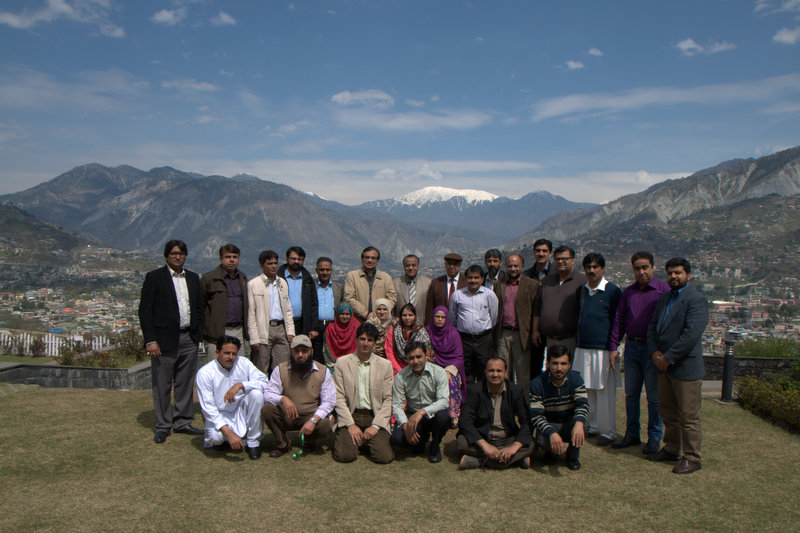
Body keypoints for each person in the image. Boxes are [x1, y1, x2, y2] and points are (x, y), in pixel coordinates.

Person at [646, 258, 708, 474]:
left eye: (678, 273)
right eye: (670, 273)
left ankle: (692, 457)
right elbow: (653, 327)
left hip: (685, 368)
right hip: (663, 367)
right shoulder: (664, 299)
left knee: (688, 416)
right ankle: (672, 448)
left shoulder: (696, 300)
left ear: (688, 275)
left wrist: (668, 358)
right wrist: (655, 353)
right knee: (668, 411)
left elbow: (691, 335)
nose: (673, 276)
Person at [138, 239, 204, 444]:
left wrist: (197, 335)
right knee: (162, 383)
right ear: (167, 255)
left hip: (188, 338)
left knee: (185, 383)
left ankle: (183, 421)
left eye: (181, 253)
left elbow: (199, 309)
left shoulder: (193, 278)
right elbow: (145, 311)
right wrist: (150, 340)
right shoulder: (155, 278)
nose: (178, 256)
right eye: (174, 253)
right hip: (164, 339)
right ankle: (163, 425)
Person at [610, 251, 670, 454]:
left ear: (653, 267)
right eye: (637, 268)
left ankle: (654, 437)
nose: (641, 271)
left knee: (653, 397)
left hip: (654, 350)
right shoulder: (629, 293)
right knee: (631, 395)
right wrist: (614, 347)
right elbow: (619, 320)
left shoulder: (663, 290)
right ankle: (632, 434)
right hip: (632, 347)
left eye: (645, 267)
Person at [573, 253, 622, 445]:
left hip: (603, 349)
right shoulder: (582, 291)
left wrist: (613, 347)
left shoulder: (612, 291)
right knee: (585, 389)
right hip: (583, 347)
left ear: (603, 269)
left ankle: (607, 431)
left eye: (595, 267)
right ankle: (591, 426)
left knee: (603, 390)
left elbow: (618, 321)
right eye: (588, 267)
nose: (591, 271)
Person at [196, 335, 268, 460]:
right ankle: (226, 440)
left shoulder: (244, 363)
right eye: (227, 353)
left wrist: (241, 385)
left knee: (256, 394)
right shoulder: (205, 373)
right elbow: (208, 408)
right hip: (220, 414)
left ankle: (253, 442)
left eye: (234, 354)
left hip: (241, 412)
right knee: (216, 438)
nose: (231, 357)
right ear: (217, 353)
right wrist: (229, 434)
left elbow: (265, 382)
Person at [261, 335, 335, 457]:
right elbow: (268, 394)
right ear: (291, 352)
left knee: (325, 424)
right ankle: (283, 444)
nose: (300, 355)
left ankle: (308, 441)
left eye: (304, 351)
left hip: (310, 416)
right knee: (267, 409)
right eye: (296, 351)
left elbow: (329, 402)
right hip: (288, 416)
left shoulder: (323, 371)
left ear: (311, 352)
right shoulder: (280, 369)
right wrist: (283, 399)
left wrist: (313, 420)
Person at [331, 323, 394, 464]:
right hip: (352, 414)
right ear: (356, 339)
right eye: (362, 339)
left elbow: (388, 399)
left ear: (375, 342)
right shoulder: (342, 363)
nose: (366, 343)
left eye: (370, 340)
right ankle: (353, 439)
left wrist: (376, 426)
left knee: (384, 457)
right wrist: (350, 425)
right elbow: (338, 397)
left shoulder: (385, 365)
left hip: (374, 415)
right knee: (345, 456)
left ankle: (365, 441)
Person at [456, 357, 533, 470]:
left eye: (499, 371)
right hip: (483, 437)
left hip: (507, 439)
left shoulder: (516, 391)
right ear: (485, 372)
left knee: (532, 443)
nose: (495, 374)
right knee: (462, 442)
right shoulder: (475, 390)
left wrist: (513, 448)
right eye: (491, 370)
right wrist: (485, 446)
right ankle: (516, 459)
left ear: (506, 373)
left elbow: (526, 422)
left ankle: (480, 460)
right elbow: (464, 421)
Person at [529, 344, 589, 470]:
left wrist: (578, 424)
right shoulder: (536, 384)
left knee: (584, 425)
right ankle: (551, 453)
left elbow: (582, 405)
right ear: (548, 363)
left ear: (569, 364)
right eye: (555, 363)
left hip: (569, 423)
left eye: (563, 363)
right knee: (542, 439)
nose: (559, 368)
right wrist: (551, 433)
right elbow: (536, 416)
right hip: (550, 424)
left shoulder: (576, 379)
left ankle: (572, 456)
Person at [391, 341, 451, 463]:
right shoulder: (401, 376)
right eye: (411, 358)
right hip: (412, 413)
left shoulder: (438, 372)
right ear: (406, 359)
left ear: (426, 355)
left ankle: (435, 444)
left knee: (444, 418)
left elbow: (444, 401)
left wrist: (423, 412)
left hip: (433, 414)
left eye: (419, 356)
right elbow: (397, 405)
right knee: (396, 439)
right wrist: (405, 425)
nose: (416, 361)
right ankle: (421, 440)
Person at [493, 254, 539, 387]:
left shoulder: (532, 285)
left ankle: (522, 405)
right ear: (505, 267)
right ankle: (505, 403)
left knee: (523, 373)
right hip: (503, 334)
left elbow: (536, 311)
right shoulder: (499, 285)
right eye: (510, 266)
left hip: (522, 335)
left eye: (516, 266)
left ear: (522, 267)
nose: (513, 268)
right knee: (503, 372)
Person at [532, 245, 586, 356]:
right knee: (552, 371)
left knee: (570, 372)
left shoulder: (582, 281)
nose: (561, 262)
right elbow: (538, 307)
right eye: (557, 259)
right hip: (549, 340)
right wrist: (535, 330)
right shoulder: (547, 281)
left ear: (573, 260)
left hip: (571, 339)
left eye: (564, 259)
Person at [247, 250, 295, 374]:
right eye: (269, 263)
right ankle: (261, 392)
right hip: (264, 329)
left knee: (283, 367)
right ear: (262, 265)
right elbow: (251, 313)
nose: (273, 266)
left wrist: (290, 331)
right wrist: (254, 338)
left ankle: (279, 392)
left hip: (280, 328)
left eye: (275, 263)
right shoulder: (253, 284)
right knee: (261, 368)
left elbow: (288, 310)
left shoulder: (282, 283)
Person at [449, 264, 499, 382]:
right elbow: (452, 318)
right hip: (464, 339)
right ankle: (468, 398)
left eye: (476, 278)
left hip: (484, 340)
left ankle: (484, 398)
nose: (473, 281)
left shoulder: (489, 294)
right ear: (465, 279)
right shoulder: (457, 295)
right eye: (470, 277)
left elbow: (494, 317)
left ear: (482, 279)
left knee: (485, 370)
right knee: (466, 372)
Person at [200, 243, 248, 358]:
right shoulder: (209, 279)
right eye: (228, 257)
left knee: (238, 369)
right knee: (216, 369)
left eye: (235, 257)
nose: (231, 260)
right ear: (221, 259)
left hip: (238, 331)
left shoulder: (242, 278)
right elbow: (200, 306)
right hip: (217, 333)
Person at [426, 306, 466, 423]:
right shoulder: (427, 332)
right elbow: (425, 353)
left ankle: (453, 415)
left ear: (447, 319)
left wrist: (448, 371)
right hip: (432, 366)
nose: (439, 319)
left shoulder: (454, 334)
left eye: (442, 317)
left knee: (451, 381)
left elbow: (458, 357)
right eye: (437, 317)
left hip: (450, 368)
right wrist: (438, 370)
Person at [523, 238, 552, 378]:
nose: (541, 254)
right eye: (538, 251)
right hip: (532, 329)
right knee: (534, 366)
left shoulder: (556, 275)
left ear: (550, 254)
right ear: (534, 253)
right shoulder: (526, 276)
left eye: (544, 251)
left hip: (552, 327)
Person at [344, 246, 397, 323]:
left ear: (377, 260)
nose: (370, 260)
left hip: (381, 322)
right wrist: (366, 314)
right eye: (367, 257)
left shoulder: (386, 277)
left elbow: (392, 298)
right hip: (358, 321)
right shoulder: (352, 276)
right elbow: (349, 298)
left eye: (373, 258)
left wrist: (379, 312)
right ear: (362, 259)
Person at [278, 246, 318, 337]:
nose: (296, 261)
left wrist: (313, 327)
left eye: (300, 259)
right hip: (283, 324)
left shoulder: (308, 280)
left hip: (302, 324)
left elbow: (313, 305)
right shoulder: (278, 279)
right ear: (286, 258)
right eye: (293, 258)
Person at [385, 303, 432, 375]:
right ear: (400, 316)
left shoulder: (421, 331)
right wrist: (399, 370)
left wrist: (418, 370)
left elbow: (427, 353)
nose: (407, 318)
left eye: (410, 315)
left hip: (418, 368)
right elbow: (389, 351)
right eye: (404, 315)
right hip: (397, 368)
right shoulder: (393, 330)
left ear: (415, 316)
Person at [311, 256, 343, 363]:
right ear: (316, 271)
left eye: (327, 270)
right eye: (322, 270)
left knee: (332, 358)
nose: (325, 272)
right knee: (317, 359)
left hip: (333, 327)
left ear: (332, 271)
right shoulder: (311, 286)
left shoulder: (338, 288)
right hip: (315, 328)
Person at [425, 252, 466, 325]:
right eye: (449, 264)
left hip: (462, 327)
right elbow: (429, 308)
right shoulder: (436, 283)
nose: (452, 267)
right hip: (440, 326)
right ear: (445, 265)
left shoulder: (466, 282)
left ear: (459, 266)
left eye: (455, 264)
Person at [393, 254, 432, 326]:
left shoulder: (428, 283)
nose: (411, 268)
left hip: (422, 326)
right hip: (400, 327)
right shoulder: (395, 283)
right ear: (404, 267)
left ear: (418, 266)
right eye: (408, 265)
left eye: (414, 265)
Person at [322, 303, 361, 371]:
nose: (344, 317)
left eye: (347, 314)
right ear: (337, 314)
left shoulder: (357, 326)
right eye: (342, 314)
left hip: (354, 363)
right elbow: (326, 347)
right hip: (334, 364)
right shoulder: (331, 328)